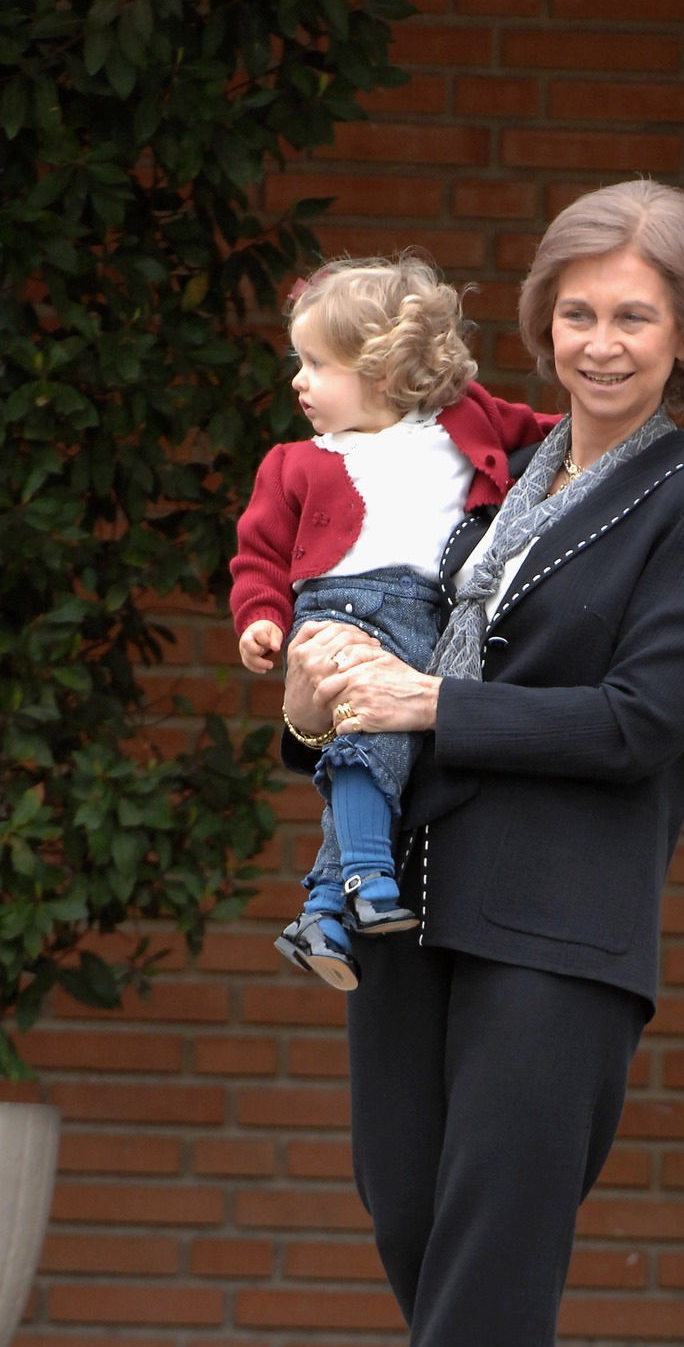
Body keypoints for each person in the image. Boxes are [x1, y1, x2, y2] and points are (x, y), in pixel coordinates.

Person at [280, 180, 684, 1347]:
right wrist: (317, 696)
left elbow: (644, 722)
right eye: (577, 312)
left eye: (635, 314)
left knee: (491, 1264)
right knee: (414, 1228)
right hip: (412, 904)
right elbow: (383, 670)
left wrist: (436, 703)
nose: (601, 341)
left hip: (561, 930)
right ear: (541, 322)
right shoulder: (484, 486)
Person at [230, 256, 557, 988]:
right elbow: (257, 555)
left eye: (316, 363)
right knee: (371, 735)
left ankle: (320, 905)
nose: (297, 380)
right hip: (338, 612)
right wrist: (259, 617)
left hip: (429, 618)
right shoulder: (293, 463)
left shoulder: (463, 421)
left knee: (399, 756)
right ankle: (370, 883)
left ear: (381, 370)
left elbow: (552, 438)